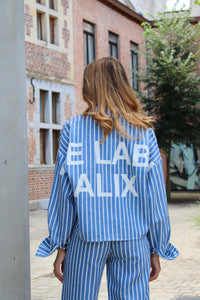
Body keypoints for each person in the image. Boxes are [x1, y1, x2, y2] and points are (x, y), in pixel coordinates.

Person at [36, 57, 179, 299]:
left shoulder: (73, 129)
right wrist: (156, 247)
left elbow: (63, 191)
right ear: (124, 86)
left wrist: (60, 244)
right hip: (133, 238)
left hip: (86, 236)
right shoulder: (144, 132)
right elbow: (155, 197)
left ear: (89, 86)